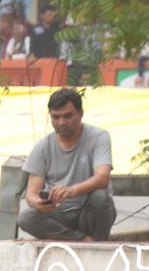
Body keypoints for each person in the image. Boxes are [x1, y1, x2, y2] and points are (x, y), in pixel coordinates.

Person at [18, 89, 116, 243]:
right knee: (26, 218)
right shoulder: (42, 146)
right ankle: (83, 241)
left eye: (68, 116)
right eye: (55, 117)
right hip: (58, 213)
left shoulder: (99, 136)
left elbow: (102, 177)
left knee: (100, 198)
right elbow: (31, 193)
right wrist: (38, 203)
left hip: (88, 210)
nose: (61, 122)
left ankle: (98, 243)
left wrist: (72, 190)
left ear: (80, 114)